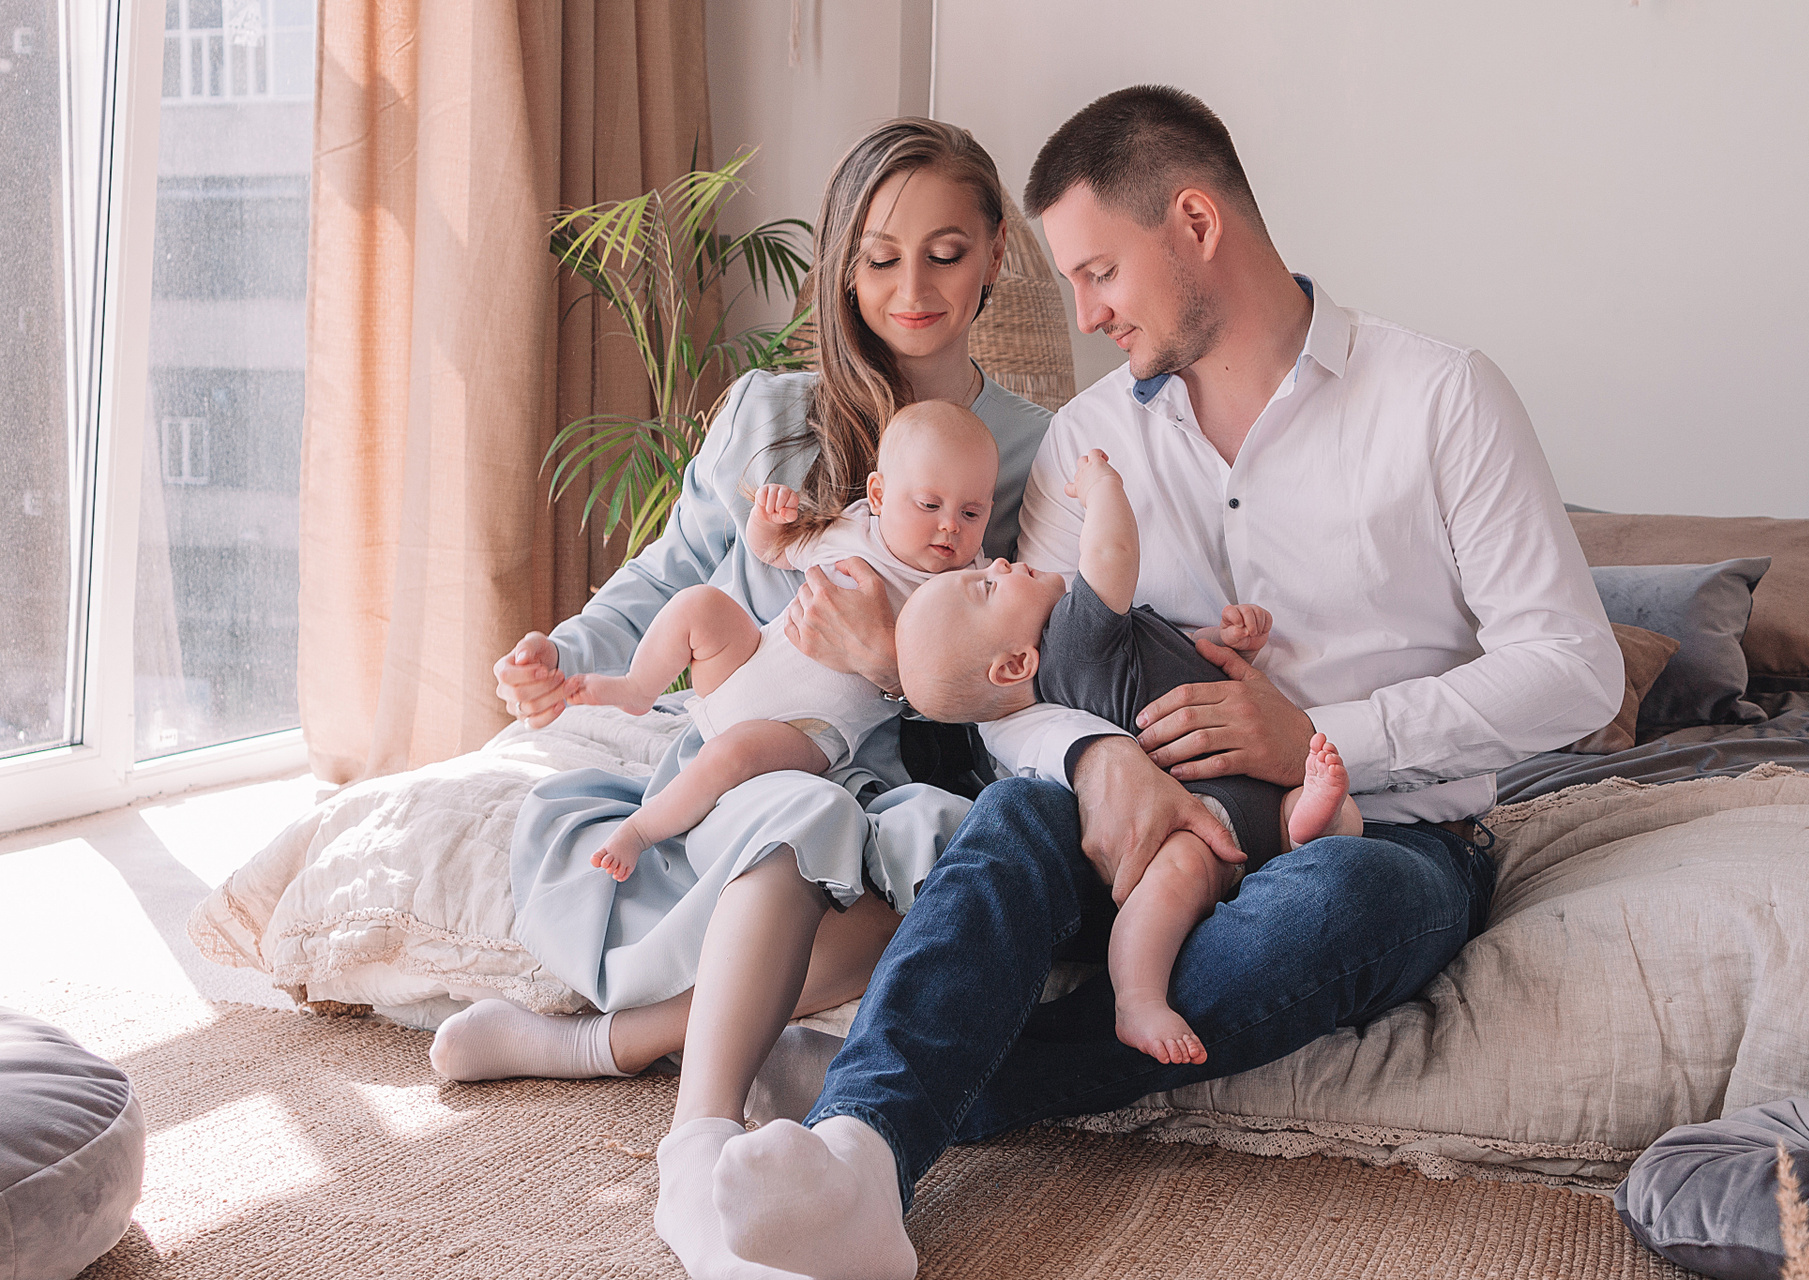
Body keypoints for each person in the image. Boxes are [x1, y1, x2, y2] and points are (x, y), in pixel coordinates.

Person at [704, 85, 1625, 1280]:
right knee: (1013, 818)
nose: (1085, 313)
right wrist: (1097, 758)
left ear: (1195, 223)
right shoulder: (1090, 441)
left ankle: (912, 1092)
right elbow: (1016, 687)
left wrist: (1317, 736)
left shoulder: (1441, 396)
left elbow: (1576, 669)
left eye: (1098, 273)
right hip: (1134, 827)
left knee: (1339, 901)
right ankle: (858, 1162)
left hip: (1383, 831)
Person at [425, 118, 1052, 1280]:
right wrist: (563, 655)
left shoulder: (1033, 451)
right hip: (742, 755)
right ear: (842, 268)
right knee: (798, 816)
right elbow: (671, 578)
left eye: (946, 252)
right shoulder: (773, 413)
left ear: (996, 255)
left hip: (890, 766)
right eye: (880, 257)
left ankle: (595, 1046)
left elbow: (1027, 678)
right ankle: (696, 1142)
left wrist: (891, 665)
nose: (913, 290)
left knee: (949, 893)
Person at [895, 446, 1362, 1066]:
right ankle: (1137, 997)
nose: (1001, 562)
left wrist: (1225, 644)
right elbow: (1112, 554)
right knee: (1176, 875)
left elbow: (1169, 660)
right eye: (987, 586)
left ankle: (1306, 824)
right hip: (1203, 811)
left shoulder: (1085, 649)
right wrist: (1101, 489)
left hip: (1255, 790)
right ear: (1015, 665)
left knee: (1340, 812)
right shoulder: (1073, 642)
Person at [567, 401, 1000, 881]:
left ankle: (640, 831)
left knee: (730, 757)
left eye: (971, 512)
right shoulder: (853, 529)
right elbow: (774, 551)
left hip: (809, 729)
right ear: (878, 495)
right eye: (929, 505)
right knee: (699, 605)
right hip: (743, 664)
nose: (950, 525)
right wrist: (767, 521)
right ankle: (637, 687)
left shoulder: (966, 588)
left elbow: (957, 678)